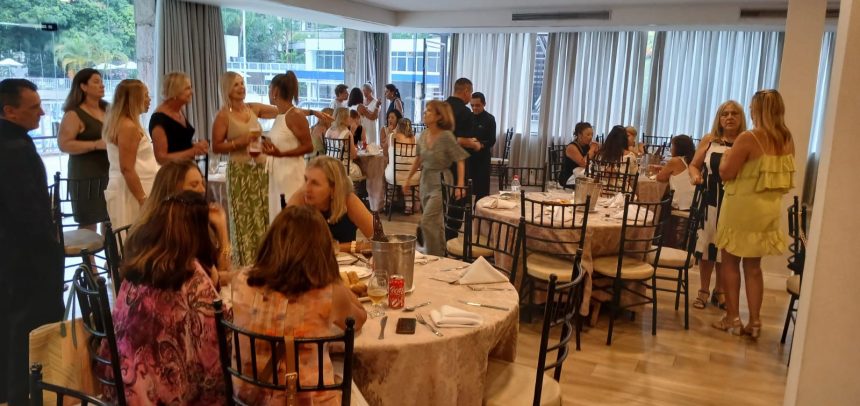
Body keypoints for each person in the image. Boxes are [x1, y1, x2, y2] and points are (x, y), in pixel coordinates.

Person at [231, 205, 367, 405]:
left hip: (247, 399)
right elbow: (359, 319)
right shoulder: (327, 292)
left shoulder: (241, 280)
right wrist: (334, 276)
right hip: (305, 402)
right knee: (348, 374)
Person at [102, 191, 225, 404]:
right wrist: (222, 232)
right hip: (159, 396)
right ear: (198, 232)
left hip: (119, 386)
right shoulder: (190, 277)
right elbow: (218, 338)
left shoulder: (139, 267)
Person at [0, 78, 63, 405]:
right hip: (26, 257)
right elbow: (28, 211)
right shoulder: (14, 150)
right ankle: (23, 393)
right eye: (34, 107)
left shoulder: (14, 142)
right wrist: (51, 249)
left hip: (12, 253)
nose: (42, 112)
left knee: (11, 322)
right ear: (9, 111)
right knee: (27, 327)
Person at [714, 89, 795, 338]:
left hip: (741, 206)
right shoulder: (786, 139)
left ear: (757, 110)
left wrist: (726, 157)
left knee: (730, 262)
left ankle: (732, 318)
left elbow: (726, 173)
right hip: (767, 209)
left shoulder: (748, 137)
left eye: (751, 107)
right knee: (753, 267)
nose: (749, 111)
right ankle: (755, 321)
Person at [211, 71, 276, 266]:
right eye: (236, 85)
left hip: (260, 168)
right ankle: (247, 263)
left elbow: (281, 110)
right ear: (227, 89)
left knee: (263, 213)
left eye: (242, 83)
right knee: (244, 216)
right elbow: (216, 147)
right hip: (240, 171)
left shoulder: (252, 108)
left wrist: (265, 141)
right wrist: (239, 142)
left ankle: (266, 259)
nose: (241, 88)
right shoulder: (223, 115)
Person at [689, 100, 746, 310]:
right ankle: (703, 290)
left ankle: (720, 290)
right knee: (707, 247)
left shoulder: (746, 141)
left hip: (735, 202)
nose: (729, 117)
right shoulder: (710, 140)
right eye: (725, 114)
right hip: (710, 200)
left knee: (726, 249)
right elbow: (694, 165)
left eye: (734, 113)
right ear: (719, 118)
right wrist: (695, 176)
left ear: (741, 118)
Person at [136, 161, 231, 286]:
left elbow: (219, 270)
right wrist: (235, 276)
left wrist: (222, 229)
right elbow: (207, 281)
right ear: (174, 192)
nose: (202, 190)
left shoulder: (194, 221)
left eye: (202, 183)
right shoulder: (166, 232)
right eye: (194, 185)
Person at [403, 100, 469, 256]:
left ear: (439, 116)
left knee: (427, 221)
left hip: (441, 180)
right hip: (425, 180)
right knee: (436, 222)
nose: (425, 113)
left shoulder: (446, 136)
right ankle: (440, 254)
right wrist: (408, 178)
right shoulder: (423, 135)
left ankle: (431, 254)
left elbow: (460, 159)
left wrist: (460, 184)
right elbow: (418, 159)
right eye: (425, 110)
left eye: (429, 110)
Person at [58, 68, 109, 231]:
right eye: (96, 82)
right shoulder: (73, 114)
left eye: (102, 81)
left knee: (111, 220)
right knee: (89, 222)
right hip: (86, 175)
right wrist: (95, 144)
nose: (102, 85)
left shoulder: (108, 109)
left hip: (109, 171)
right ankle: (89, 250)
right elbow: (64, 144)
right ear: (83, 86)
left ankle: (111, 248)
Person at [103, 79, 159, 229]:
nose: (149, 99)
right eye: (145, 95)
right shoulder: (128, 126)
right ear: (134, 98)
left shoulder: (125, 123)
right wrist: (142, 199)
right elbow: (127, 168)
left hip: (136, 187)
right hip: (131, 191)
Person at [288, 156, 373, 254]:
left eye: (315, 183)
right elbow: (285, 244)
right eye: (306, 180)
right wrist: (351, 246)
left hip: (345, 263)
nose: (306, 188)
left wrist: (336, 247)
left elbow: (380, 241)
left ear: (334, 188)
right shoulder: (300, 199)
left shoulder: (348, 201)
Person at [262, 72, 314, 223]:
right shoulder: (280, 115)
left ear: (275, 91)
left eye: (269, 88)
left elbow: (308, 146)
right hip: (279, 174)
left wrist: (281, 154)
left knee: (290, 217)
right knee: (279, 217)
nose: (268, 92)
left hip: (291, 174)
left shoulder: (294, 114)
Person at [148, 72, 208, 164]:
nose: (192, 92)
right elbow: (161, 158)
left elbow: (177, 144)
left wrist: (196, 146)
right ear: (174, 91)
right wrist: (193, 151)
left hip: (186, 166)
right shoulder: (159, 119)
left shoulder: (179, 110)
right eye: (187, 88)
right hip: (173, 171)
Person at [652, 134, 697, 210]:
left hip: (682, 204)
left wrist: (664, 170)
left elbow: (660, 178)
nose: (671, 149)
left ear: (678, 148)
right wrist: (663, 168)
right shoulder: (693, 160)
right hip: (694, 202)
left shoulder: (675, 161)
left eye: (672, 146)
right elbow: (682, 173)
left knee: (661, 200)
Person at [468, 92, 497, 199]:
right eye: (472, 105)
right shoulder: (468, 117)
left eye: (477, 105)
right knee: (467, 189)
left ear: (484, 104)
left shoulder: (490, 119)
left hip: (482, 158)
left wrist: (479, 144)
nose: (474, 108)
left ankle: (479, 209)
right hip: (468, 158)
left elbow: (492, 140)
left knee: (482, 190)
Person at [594, 125, 639, 191]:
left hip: (601, 191)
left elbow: (595, 175)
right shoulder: (630, 156)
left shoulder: (600, 155)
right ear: (624, 139)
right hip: (622, 193)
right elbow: (633, 178)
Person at [558, 122, 598, 186]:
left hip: (581, 175)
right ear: (579, 135)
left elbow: (594, 162)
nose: (590, 137)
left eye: (592, 135)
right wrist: (592, 149)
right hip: (569, 178)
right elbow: (584, 164)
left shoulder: (587, 146)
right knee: (592, 185)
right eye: (588, 135)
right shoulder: (571, 147)